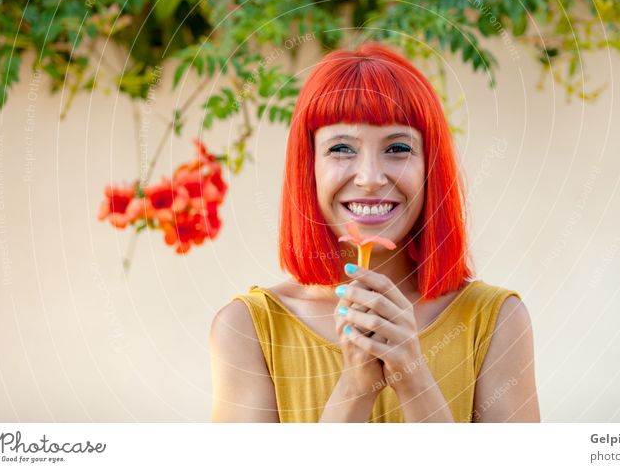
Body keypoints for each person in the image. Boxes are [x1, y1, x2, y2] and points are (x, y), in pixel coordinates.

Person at [209, 42, 540, 423]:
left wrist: (412, 375)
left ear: (430, 167)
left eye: (398, 148)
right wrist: (355, 386)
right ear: (308, 168)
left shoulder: (497, 320)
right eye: (341, 149)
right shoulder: (246, 329)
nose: (369, 179)